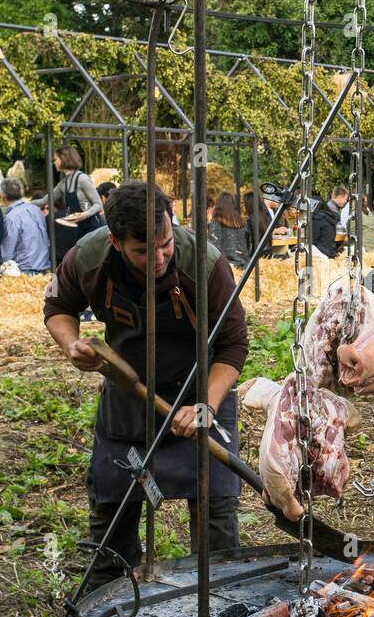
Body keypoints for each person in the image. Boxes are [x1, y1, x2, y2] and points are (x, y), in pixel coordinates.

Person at [43, 181, 249, 589]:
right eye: (142, 250)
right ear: (117, 242)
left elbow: (233, 343)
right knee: (111, 518)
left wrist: (205, 405)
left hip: (201, 389)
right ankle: (107, 610)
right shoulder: (88, 256)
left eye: (165, 244)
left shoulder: (205, 263)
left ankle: (222, 608)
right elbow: (58, 307)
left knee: (217, 526)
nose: (157, 258)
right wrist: (71, 344)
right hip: (128, 393)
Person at [33, 146, 104, 262]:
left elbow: (98, 204)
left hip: (93, 228)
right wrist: (24, 204)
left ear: (64, 158)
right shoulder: (64, 183)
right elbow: (44, 201)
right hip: (80, 229)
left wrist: (83, 215)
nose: (54, 162)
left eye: (56, 159)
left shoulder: (82, 179)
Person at [0, 177, 51, 274]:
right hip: (45, 268)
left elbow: (7, 254)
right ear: (21, 192)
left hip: (25, 272)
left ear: (2, 194)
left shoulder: (11, 218)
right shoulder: (36, 210)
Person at [207, 191, 252, 268]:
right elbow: (249, 245)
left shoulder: (216, 223)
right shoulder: (241, 222)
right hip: (245, 265)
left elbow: (214, 248)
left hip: (227, 266)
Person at [312, 185, 348, 258]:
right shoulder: (332, 210)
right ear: (340, 197)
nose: (346, 201)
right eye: (345, 199)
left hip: (323, 251)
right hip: (326, 251)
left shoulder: (328, 208)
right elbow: (339, 227)